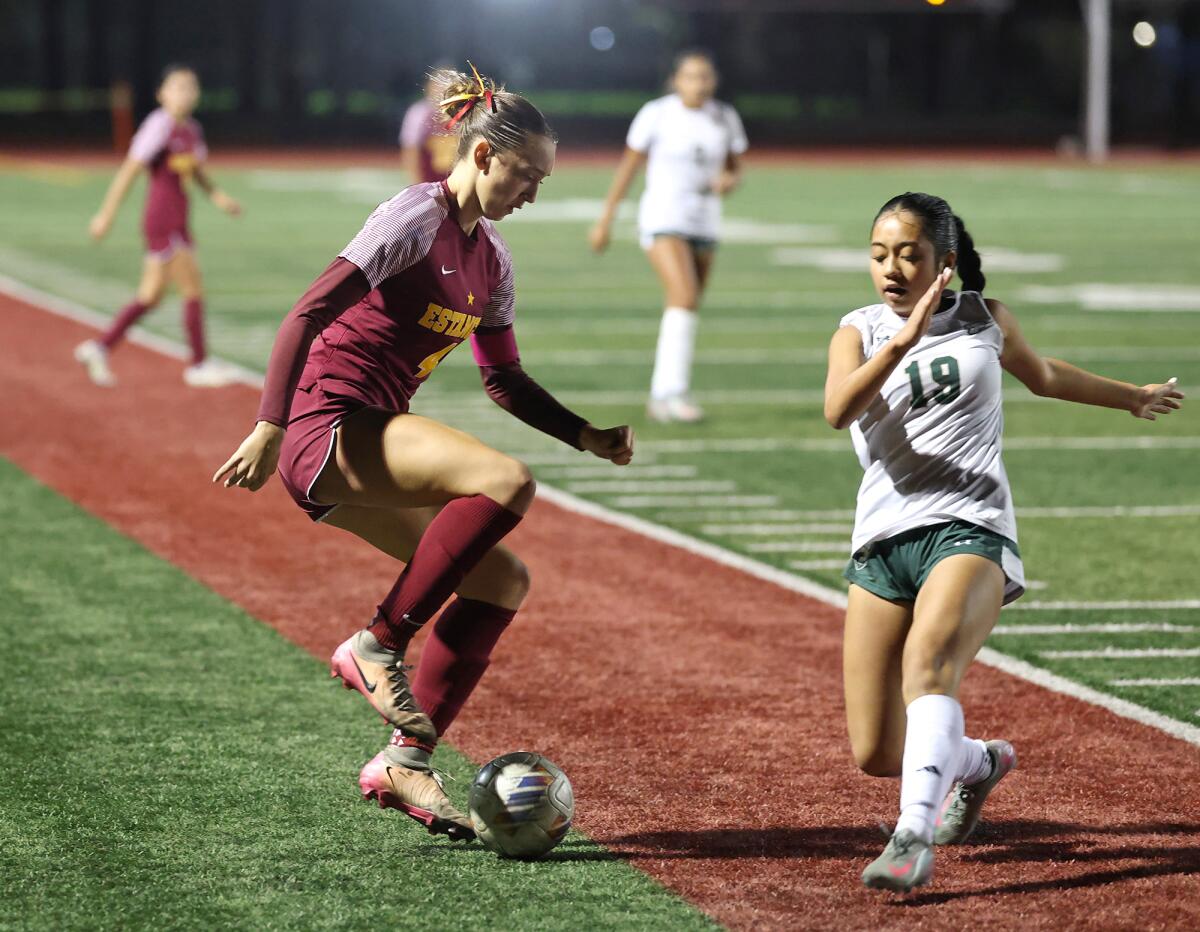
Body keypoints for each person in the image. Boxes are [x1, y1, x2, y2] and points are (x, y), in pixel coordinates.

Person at [213, 64, 634, 840]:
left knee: (502, 581)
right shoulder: (413, 217)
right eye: (526, 174)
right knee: (504, 479)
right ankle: (378, 643)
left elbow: (503, 380)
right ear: (483, 154)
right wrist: (269, 425)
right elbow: (306, 312)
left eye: (542, 180)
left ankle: (406, 758)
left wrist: (586, 434)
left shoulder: (492, 258)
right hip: (325, 423)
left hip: (366, 439)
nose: (533, 193)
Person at [824, 192, 1184, 892]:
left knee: (929, 667)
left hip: (971, 527)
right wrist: (901, 341)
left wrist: (1130, 396)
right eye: (878, 255)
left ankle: (911, 837)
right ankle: (979, 762)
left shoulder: (985, 318)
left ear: (945, 262)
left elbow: (1043, 375)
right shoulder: (858, 330)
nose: (891, 268)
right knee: (877, 751)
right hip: (882, 542)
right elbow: (839, 410)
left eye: (909, 255)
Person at [589, 50, 747, 423]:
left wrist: (729, 181)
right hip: (664, 217)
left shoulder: (724, 117)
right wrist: (606, 219)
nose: (699, 84)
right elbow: (628, 168)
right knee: (684, 296)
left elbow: (734, 168)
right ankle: (671, 393)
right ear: (676, 81)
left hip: (705, 221)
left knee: (685, 307)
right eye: (691, 76)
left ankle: (663, 394)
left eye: (705, 76)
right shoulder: (657, 113)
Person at [77, 64, 241, 387]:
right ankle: (198, 365)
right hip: (163, 220)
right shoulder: (159, 126)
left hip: (179, 219)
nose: (186, 94)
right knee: (192, 287)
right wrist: (106, 215)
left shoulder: (191, 129)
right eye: (178, 87)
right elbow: (129, 171)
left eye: (191, 87)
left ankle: (99, 347)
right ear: (161, 94)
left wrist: (218, 196)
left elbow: (196, 172)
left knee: (150, 296)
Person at [399, 72, 458, 185]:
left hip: (454, 179)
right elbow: (411, 148)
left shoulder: (461, 112)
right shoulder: (420, 113)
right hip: (430, 178)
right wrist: (417, 183)